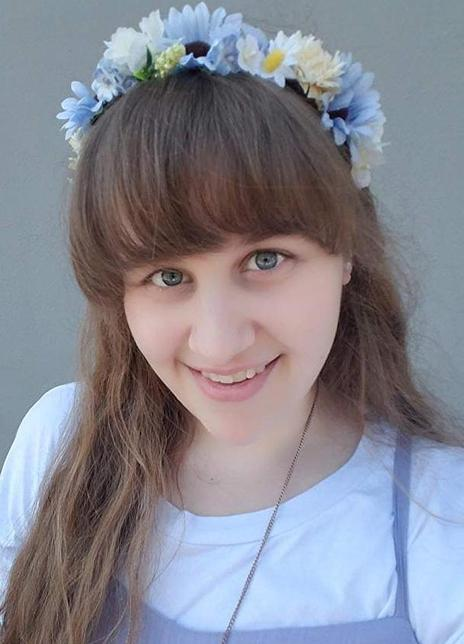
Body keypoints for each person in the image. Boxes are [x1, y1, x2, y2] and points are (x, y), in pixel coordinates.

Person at [1, 3, 463, 643]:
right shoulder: (61, 446)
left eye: (265, 260)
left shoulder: (440, 518)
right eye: (168, 276)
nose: (219, 342)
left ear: (347, 254)